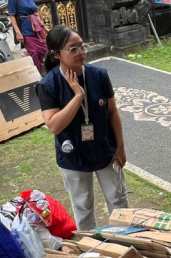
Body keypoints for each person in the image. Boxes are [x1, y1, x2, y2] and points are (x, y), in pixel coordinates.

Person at [37, 25, 128, 231]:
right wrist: (78, 96)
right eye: (73, 49)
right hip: (73, 156)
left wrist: (120, 148)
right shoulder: (48, 85)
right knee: (83, 207)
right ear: (55, 54)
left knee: (118, 200)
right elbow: (54, 125)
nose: (81, 53)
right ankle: (91, 250)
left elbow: (113, 113)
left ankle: (125, 242)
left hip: (105, 150)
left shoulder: (99, 75)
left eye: (82, 46)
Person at [7, 0, 47, 73]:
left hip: (37, 29)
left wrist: (44, 27)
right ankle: (38, 74)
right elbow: (12, 16)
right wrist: (18, 32)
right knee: (34, 53)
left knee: (45, 50)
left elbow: (36, 13)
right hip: (25, 30)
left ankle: (44, 69)